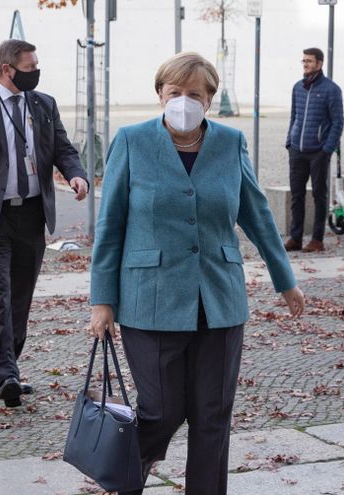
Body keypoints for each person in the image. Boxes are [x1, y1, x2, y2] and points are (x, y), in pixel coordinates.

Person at [88, 52, 306, 495]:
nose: (183, 101)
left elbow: (257, 214)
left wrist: (285, 279)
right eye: (175, 93)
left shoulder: (230, 142)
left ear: (209, 100)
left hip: (219, 300)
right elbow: (110, 225)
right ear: (160, 95)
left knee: (212, 416)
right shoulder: (130, 141)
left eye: (194, 94)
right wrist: (101, 299)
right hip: (149, 299)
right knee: (161, 411)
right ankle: (122, 479)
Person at [0, 39, 89, 408]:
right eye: (29, 67)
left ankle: (4, 367)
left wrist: (76, 175)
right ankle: (7, 374)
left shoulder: (43, 104)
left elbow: (62, 148)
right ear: (7, 69)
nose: (35, 72)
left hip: (32, 215)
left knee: (20, 299)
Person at [284, 47, 344, 253]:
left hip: (318, 151)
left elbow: (337, 123)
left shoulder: (331, 90)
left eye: (309, 61)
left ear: (319, 63)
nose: (305, 64)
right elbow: (294, 117)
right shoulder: (297, 88)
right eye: (303, 61)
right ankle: (296, 237)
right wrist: (289, 142)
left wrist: (327, 149)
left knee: (319, 195)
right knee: (296, 195)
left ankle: (317, 239)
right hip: (297, 150)